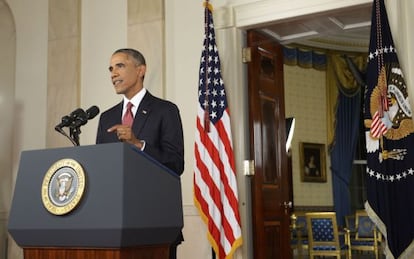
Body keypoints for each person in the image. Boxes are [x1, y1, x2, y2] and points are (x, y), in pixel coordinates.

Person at [95, 48, 184, 259]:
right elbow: (101, 168)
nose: (113, 73)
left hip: (155, 222)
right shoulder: (106, 118)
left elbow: (176, 164)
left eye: (120, 66)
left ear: (141, 70)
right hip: (113, 224)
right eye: (110, 68)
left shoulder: (166, 110)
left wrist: (138, 144)